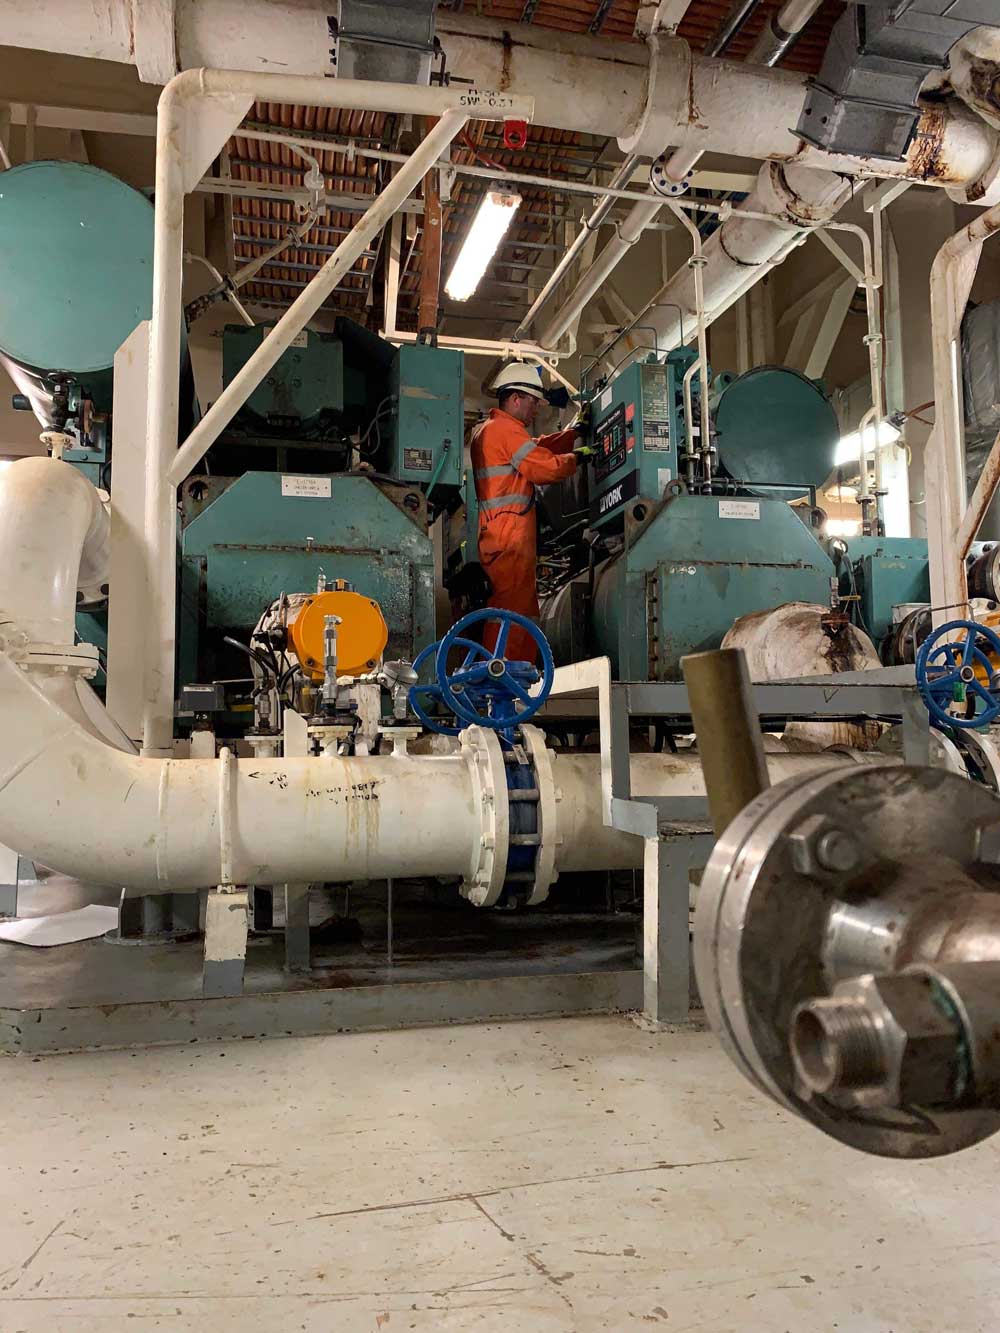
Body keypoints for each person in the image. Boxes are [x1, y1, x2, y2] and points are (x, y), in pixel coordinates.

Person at [470, 362, 592, 663]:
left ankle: (510, 671)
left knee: (516, 608)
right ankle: (504, 672)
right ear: (515, 399)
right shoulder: (503, 431)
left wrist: (572, 434)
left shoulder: (493, 430)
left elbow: (535, 446)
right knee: (514, 610)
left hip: (501, 534)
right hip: (510, 536)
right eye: (533, 401)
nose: (536, 408)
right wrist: (576, 458)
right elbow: (542, 467)